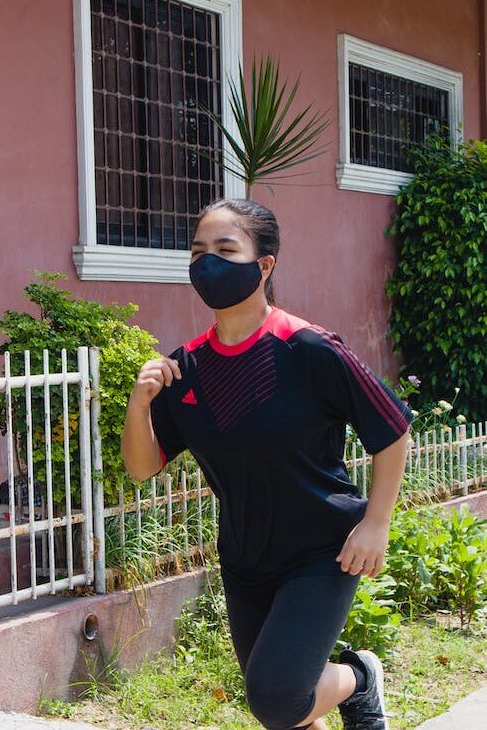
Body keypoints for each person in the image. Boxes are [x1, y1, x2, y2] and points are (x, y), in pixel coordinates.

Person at [121, 198, 411, 730]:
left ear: (265, 265)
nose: (208, 262)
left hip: (323, 550)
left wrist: (377, 523)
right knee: (290, 711)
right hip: (246, 555)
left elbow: (392, 430)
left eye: (226, 250)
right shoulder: (188, 368)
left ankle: (360, 679)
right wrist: (139, 405)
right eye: (198, 251)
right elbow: (143, 467)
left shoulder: (308, 349)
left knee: (276, 697)